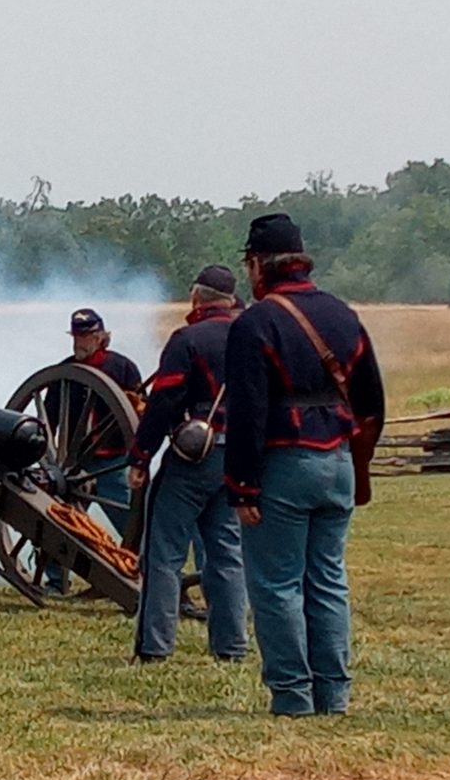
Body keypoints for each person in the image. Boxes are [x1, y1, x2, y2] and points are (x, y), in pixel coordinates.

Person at [224, 214, 385, 715]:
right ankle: (333, 694)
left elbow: (248, 412)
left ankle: (293, 695)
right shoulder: (344, 316)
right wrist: (356, 461)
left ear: (257, 265)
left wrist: (243, 486)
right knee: (328, 579)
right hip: (337, 460)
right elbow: (372, 403)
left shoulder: (255, 323)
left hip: (284, 464)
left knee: (276, 584)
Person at [128, 265, 248, 664]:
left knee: (162, 554)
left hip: (196, 455)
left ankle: (154, 646)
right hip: (239, 458)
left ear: (197, 298)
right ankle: (231, 646)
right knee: (226, 554)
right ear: (230, 300)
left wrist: (141, 456)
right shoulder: (252, 336)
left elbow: (164, 401)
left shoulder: (188, 339)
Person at [43, 308, 143, 595]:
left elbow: (138, 411)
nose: (79, 343)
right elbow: (49, 417)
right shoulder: (66, 370)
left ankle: (136, 571)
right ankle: (55, 580)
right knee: (56, 518)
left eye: (86, 336)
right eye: (76, 336)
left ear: (101, 337)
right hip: (75, 462)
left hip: (112, 458)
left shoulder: (122, 368)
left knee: (131, 520)